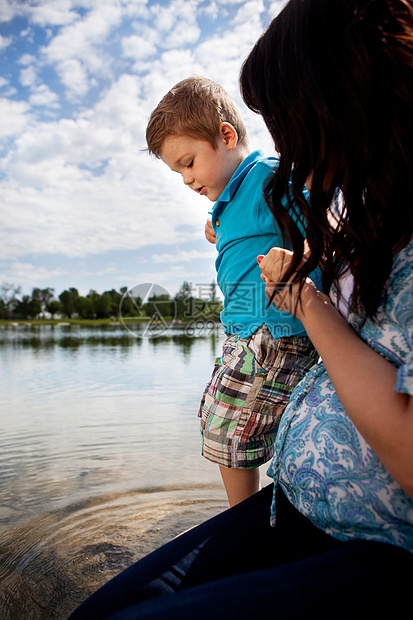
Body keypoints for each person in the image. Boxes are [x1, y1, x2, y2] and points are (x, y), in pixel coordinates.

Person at [67, 1, 413, 618]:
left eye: (293, 117)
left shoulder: (278, 180)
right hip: (291, 501)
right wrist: (222, 229)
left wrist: (304, 296)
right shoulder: (365, 223)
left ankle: (241, 505)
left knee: (225, 423)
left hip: (368, 535)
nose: (287, 142)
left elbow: (305, 216)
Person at [144, 76, 319, 506]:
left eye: (188, 163)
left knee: (230, 429)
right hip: (244, 334)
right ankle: (254, 513)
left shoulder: (267, 177)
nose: (185, 179)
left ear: (226, 135)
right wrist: (217, 226)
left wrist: (305, 256)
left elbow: (322, 222)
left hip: (275, 330)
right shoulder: (228, 203)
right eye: (177, 172)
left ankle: (244, 520)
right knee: (221, 420)